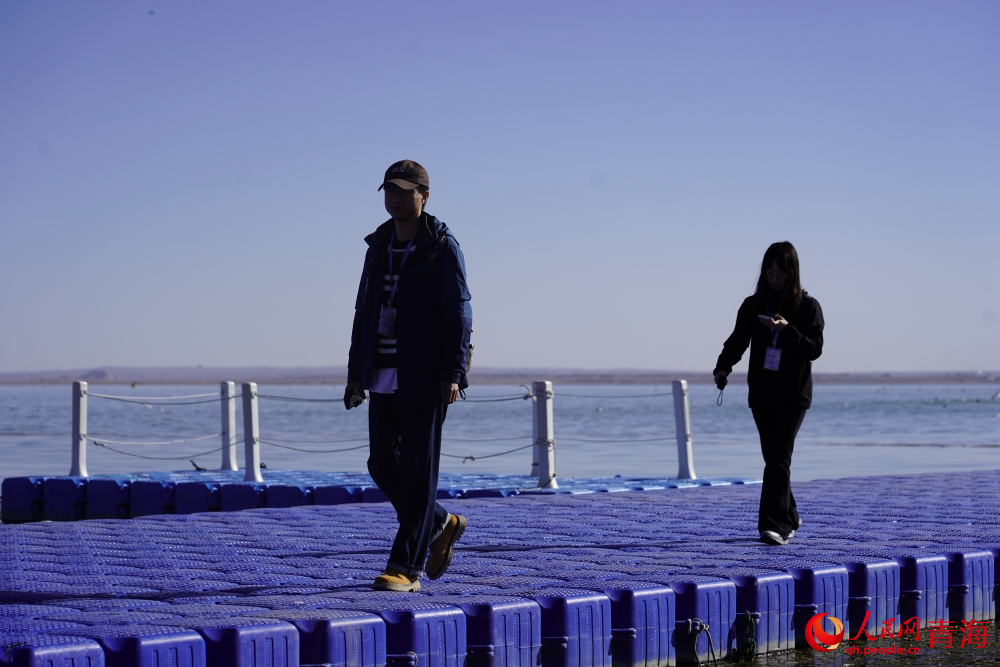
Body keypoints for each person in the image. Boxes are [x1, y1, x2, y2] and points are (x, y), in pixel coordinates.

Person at [345, 159, 473, 591]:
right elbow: (363, 311)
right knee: (381, 464)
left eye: (404, 191)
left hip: (425, 375)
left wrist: (453, 371)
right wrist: (355, 373)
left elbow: (459, 313)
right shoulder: (378, 245)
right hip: (381, 372)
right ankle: (441, 522)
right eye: (389, 191)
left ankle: (405, 568)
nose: (395, 198)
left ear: (424, 196)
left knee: (419, 474)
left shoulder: (441, 246)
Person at [713, 241, 824, 546]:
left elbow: (815, 349)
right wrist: (722, 367)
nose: (775, 277)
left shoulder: (808, 307)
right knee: (773, 458)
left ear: (793, 273)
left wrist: (787, 331)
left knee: (777, 458)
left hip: (794, 394)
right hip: (762, 392)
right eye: (770, 271)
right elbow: (738, 340)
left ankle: (774, 526)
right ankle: (790, 513)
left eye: (782, 272)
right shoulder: (753, 305)